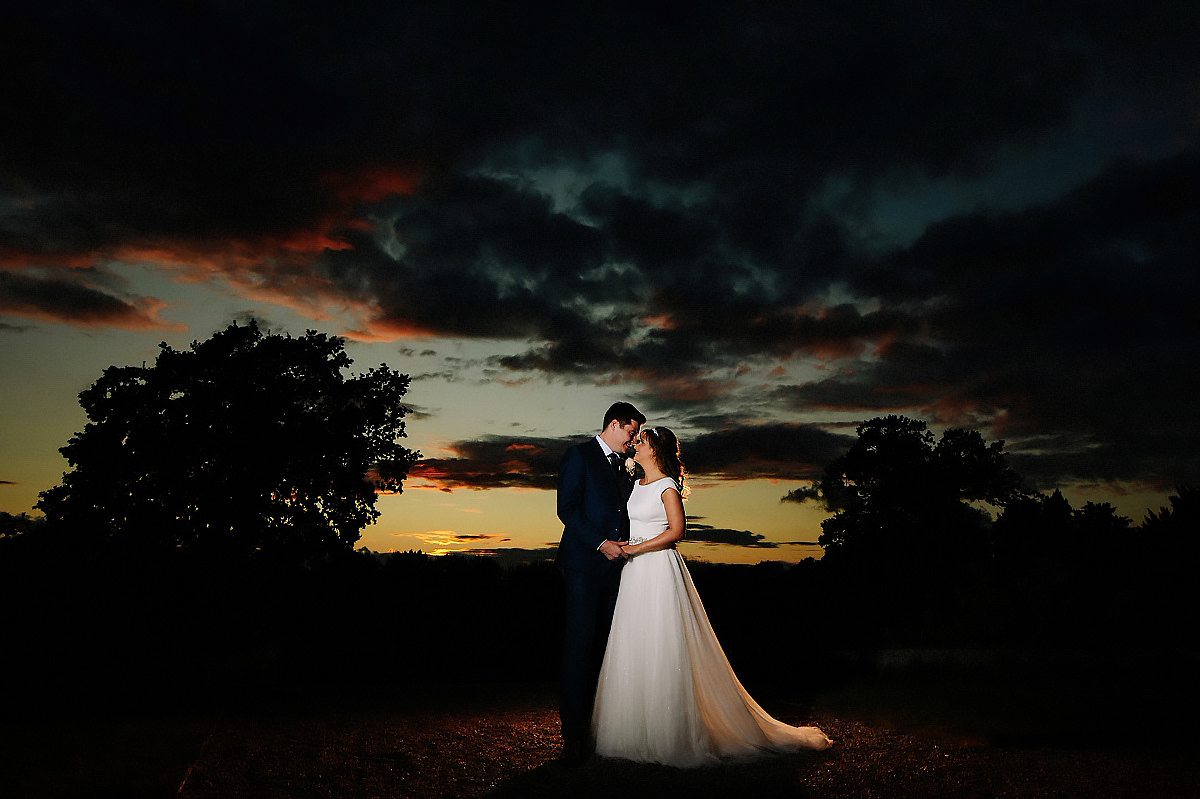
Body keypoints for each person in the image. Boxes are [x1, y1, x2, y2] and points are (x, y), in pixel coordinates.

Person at [591, 426, 832, 767]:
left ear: (655, 451)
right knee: (635, 641)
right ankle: (633, 732)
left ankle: (670, 733)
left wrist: (637, 548)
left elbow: (677, 531)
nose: (635, 443)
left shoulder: (666, 487)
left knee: (664, 643)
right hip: (635, 574)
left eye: (641, 441)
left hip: (658, 569)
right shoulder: (636, 485)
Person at [555, 401, 645, 761]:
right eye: (631, 431)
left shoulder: (627, 466)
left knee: (606, 651)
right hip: (582, 567)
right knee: (579, 649)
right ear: (613, 424)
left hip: (617, 572)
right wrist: (601, 544)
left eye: (636, 434)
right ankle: (573, 737)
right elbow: (567, 509)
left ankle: (600, 729)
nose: (634, 439)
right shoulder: (578, 455)